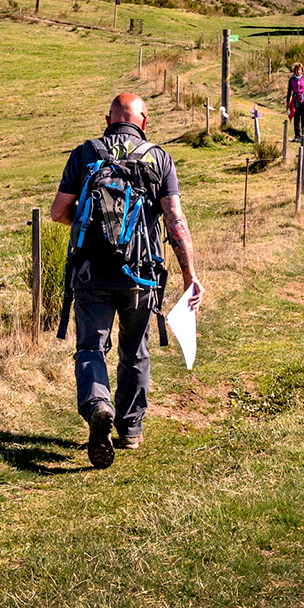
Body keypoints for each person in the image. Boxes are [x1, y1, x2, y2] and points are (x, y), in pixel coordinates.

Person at [51, 93, 202, 469]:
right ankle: (130, 429)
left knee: (91, 349)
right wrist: (190, 275)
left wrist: (92, 229)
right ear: (144, 122)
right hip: (142, 275)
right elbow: (175, 222)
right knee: (134, 350)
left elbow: (57, 212)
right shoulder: (158, 158)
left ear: (108, 120)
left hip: (90, 272)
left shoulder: (85, 153)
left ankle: (99, 406)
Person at [286, 63, 304, 142]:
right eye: (297, 70)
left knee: (303, 118)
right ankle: (297, 136)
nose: (298, 71)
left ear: (302, 71)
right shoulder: (292, 80)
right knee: (296, 118)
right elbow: (289, 92)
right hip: (295, 100)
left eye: (300, 70)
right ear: (295, 70)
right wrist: (288, 103)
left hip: (303, 100)